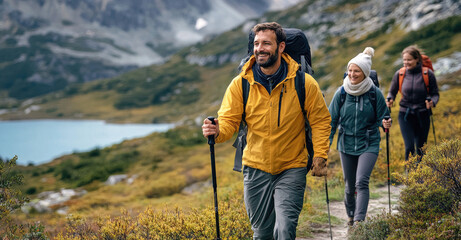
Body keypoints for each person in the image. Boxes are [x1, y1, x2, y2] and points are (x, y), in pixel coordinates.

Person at [202, 22, 331, 239]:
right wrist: (216, 131)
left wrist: (319, 155)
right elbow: (229, 122)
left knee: (285, 229)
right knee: (261, 234)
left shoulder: (303, 82)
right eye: (256, 43)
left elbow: (320, 121)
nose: (260, 48)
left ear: (281, 47)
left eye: (266, 43)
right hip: (255, 167)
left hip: (292, 166)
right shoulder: (241, 83)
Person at [328, 47, 392, 226]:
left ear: (364, 73)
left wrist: (386, 123)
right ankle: (350, 214)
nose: (352, 74)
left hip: (369, 143)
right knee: (349, 187)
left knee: (361, 182)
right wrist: (325, 144)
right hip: (346, 143)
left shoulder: (374, 93)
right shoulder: (341, 93)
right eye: (350, 70)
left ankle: (359, 221)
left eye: (356, 71)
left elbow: (383, 117)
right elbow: (331, 121)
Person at [386, 45, 439, 161]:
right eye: (404, 60)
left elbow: (435, 94)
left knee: (421, 147)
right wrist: (389, 98)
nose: (406, 62)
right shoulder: (400, 74)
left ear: (417, 59)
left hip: (423, 114)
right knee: (409, 147)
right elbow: (392, 91)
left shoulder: (427, 73)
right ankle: (409, 177)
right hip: (405, 115)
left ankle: (421, 176)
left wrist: (432, 103)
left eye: (409, 60)